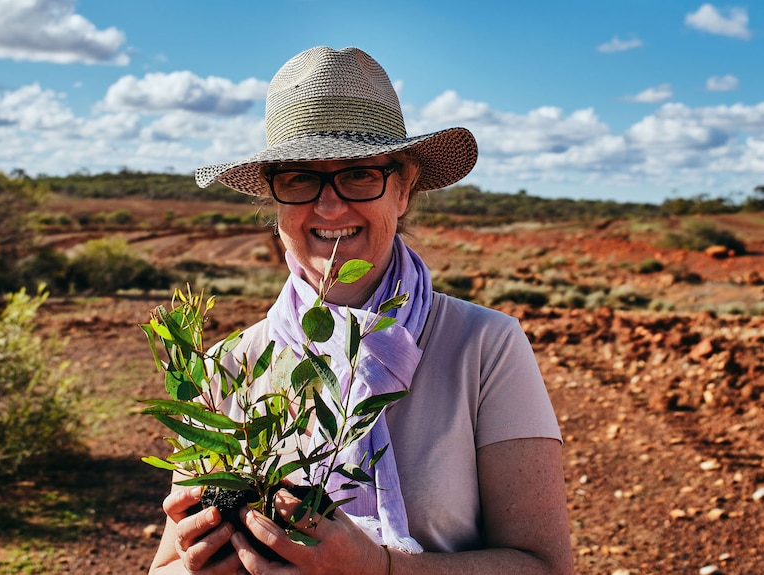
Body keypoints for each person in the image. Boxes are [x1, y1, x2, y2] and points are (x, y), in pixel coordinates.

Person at [149, 46, 573, 575]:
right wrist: (195, 567)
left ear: (403, 189)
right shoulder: (222, 370)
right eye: (300, 178)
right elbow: (163, 568)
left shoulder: (485, 346)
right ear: (274, 199)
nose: (329, 206)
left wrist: (380, 569)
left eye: (359, 174)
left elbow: (543, 566)